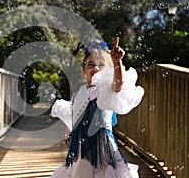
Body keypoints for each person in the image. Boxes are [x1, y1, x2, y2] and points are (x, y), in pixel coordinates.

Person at [50, 37, 144, 178]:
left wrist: (117, 62)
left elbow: (117, 85)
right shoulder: (79, 93)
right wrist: (69, 131)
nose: (95, 68)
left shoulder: (105, 90)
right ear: (83, 70)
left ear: (108, 70)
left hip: (103, 149)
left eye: (101, 65)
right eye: (90, 65)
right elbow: (74, 114)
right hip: (82, 149)